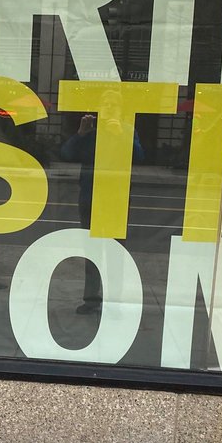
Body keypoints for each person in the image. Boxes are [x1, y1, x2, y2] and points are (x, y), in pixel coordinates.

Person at [59, 110, 143, 314]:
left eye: (113, 104)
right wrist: (80, 134)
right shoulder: (91, 133)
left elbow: (139, 157)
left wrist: (120, 134)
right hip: (91, 197)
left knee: (116, 253)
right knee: (92, 252)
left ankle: (114, 301)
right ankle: (91, 299)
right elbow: (67, 154)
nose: (109, 107)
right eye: (106, 104)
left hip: (116, 199)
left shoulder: (127, 130)